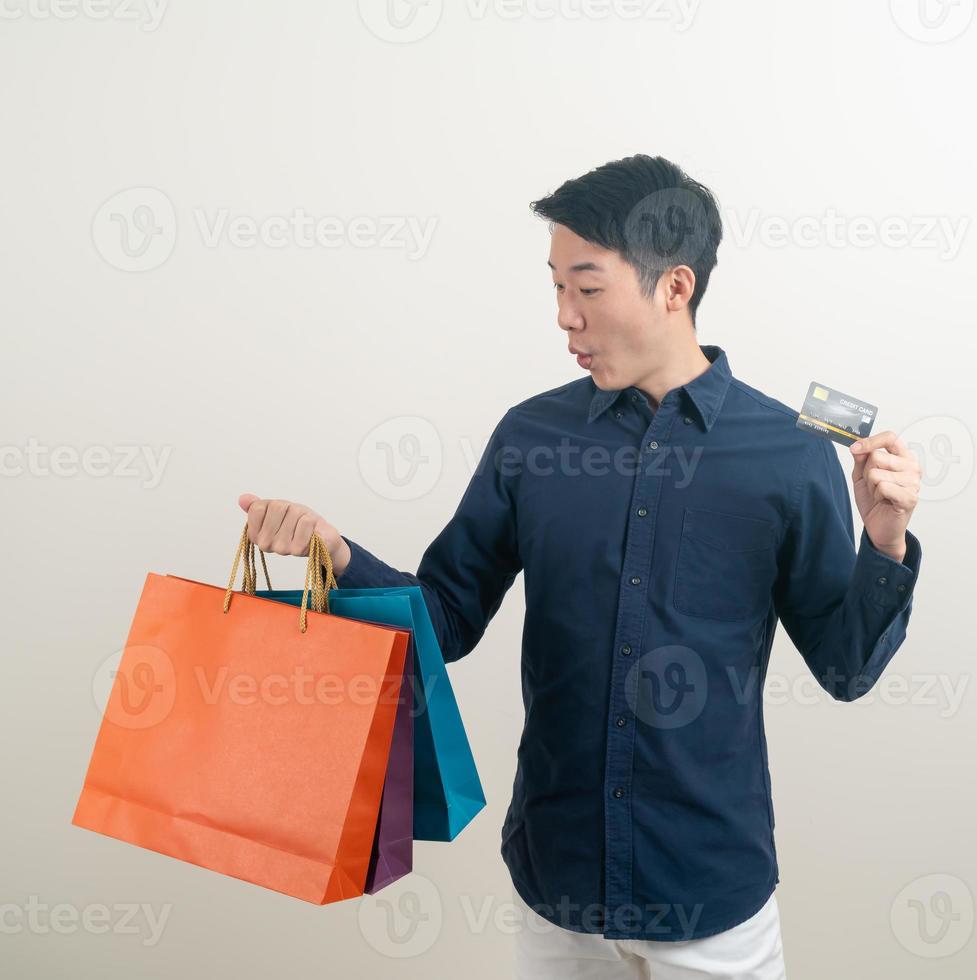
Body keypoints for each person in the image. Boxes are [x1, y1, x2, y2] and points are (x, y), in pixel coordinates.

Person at [238, 154, 923, 979]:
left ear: (675, 287)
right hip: (557, 888)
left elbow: (847, 670)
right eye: (556, 286)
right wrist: (336, 554)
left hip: (709, 897)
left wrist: (883, 544)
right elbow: (444, 620)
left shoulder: (790, 453)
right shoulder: (532, 439)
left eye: (588, 289)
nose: (565, 316)